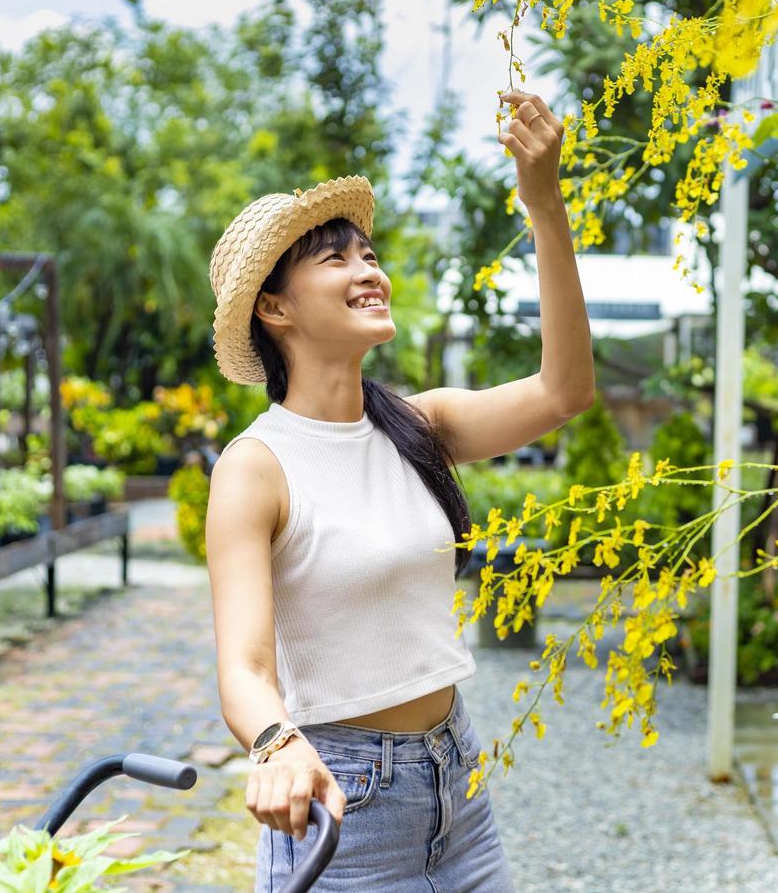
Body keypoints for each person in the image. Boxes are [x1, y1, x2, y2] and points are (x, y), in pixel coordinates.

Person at [204, 89, 593, 891]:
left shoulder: (420, 424)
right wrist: (277, 745)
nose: (369, 270)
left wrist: (543, 202)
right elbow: (243, 668)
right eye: (336, 259)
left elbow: (564, 390)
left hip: (456, 778)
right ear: (273, 306)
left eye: (368, 255)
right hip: (345, 799)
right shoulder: (256, 466)